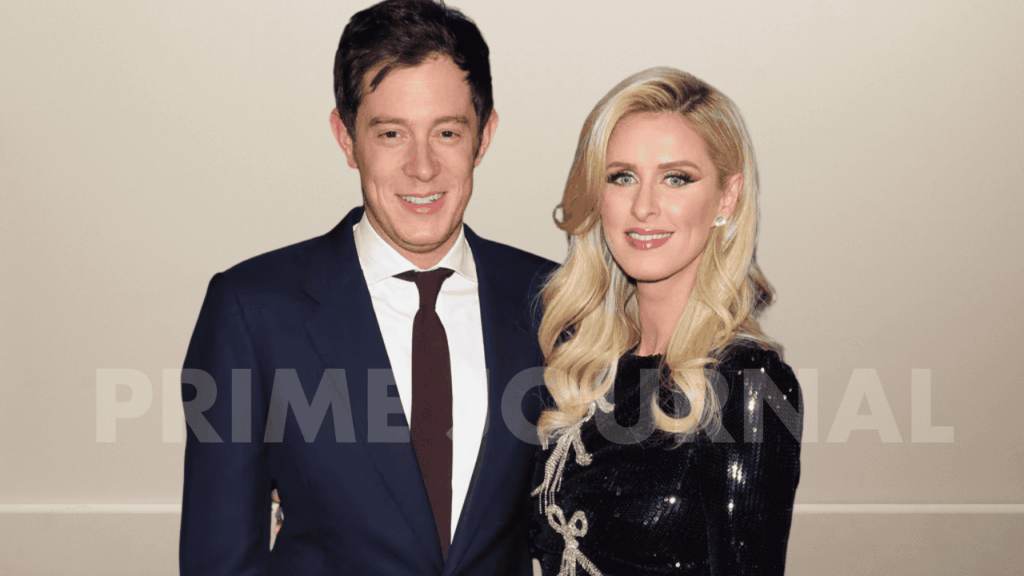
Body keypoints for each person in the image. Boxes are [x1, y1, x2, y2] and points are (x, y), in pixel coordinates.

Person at [178, 1, 554, 574]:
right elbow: (220, 559)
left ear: (484, 137)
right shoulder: (252, 310)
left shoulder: (554, 300)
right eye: (391, 133)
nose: (422, 166)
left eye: (447, 132)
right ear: (346, 137)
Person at [530, 68, 802, 575]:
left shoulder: (749, 383)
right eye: (622, 177)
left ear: (726, 197)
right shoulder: (580, 370)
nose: (644, 207)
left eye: (676, 178)